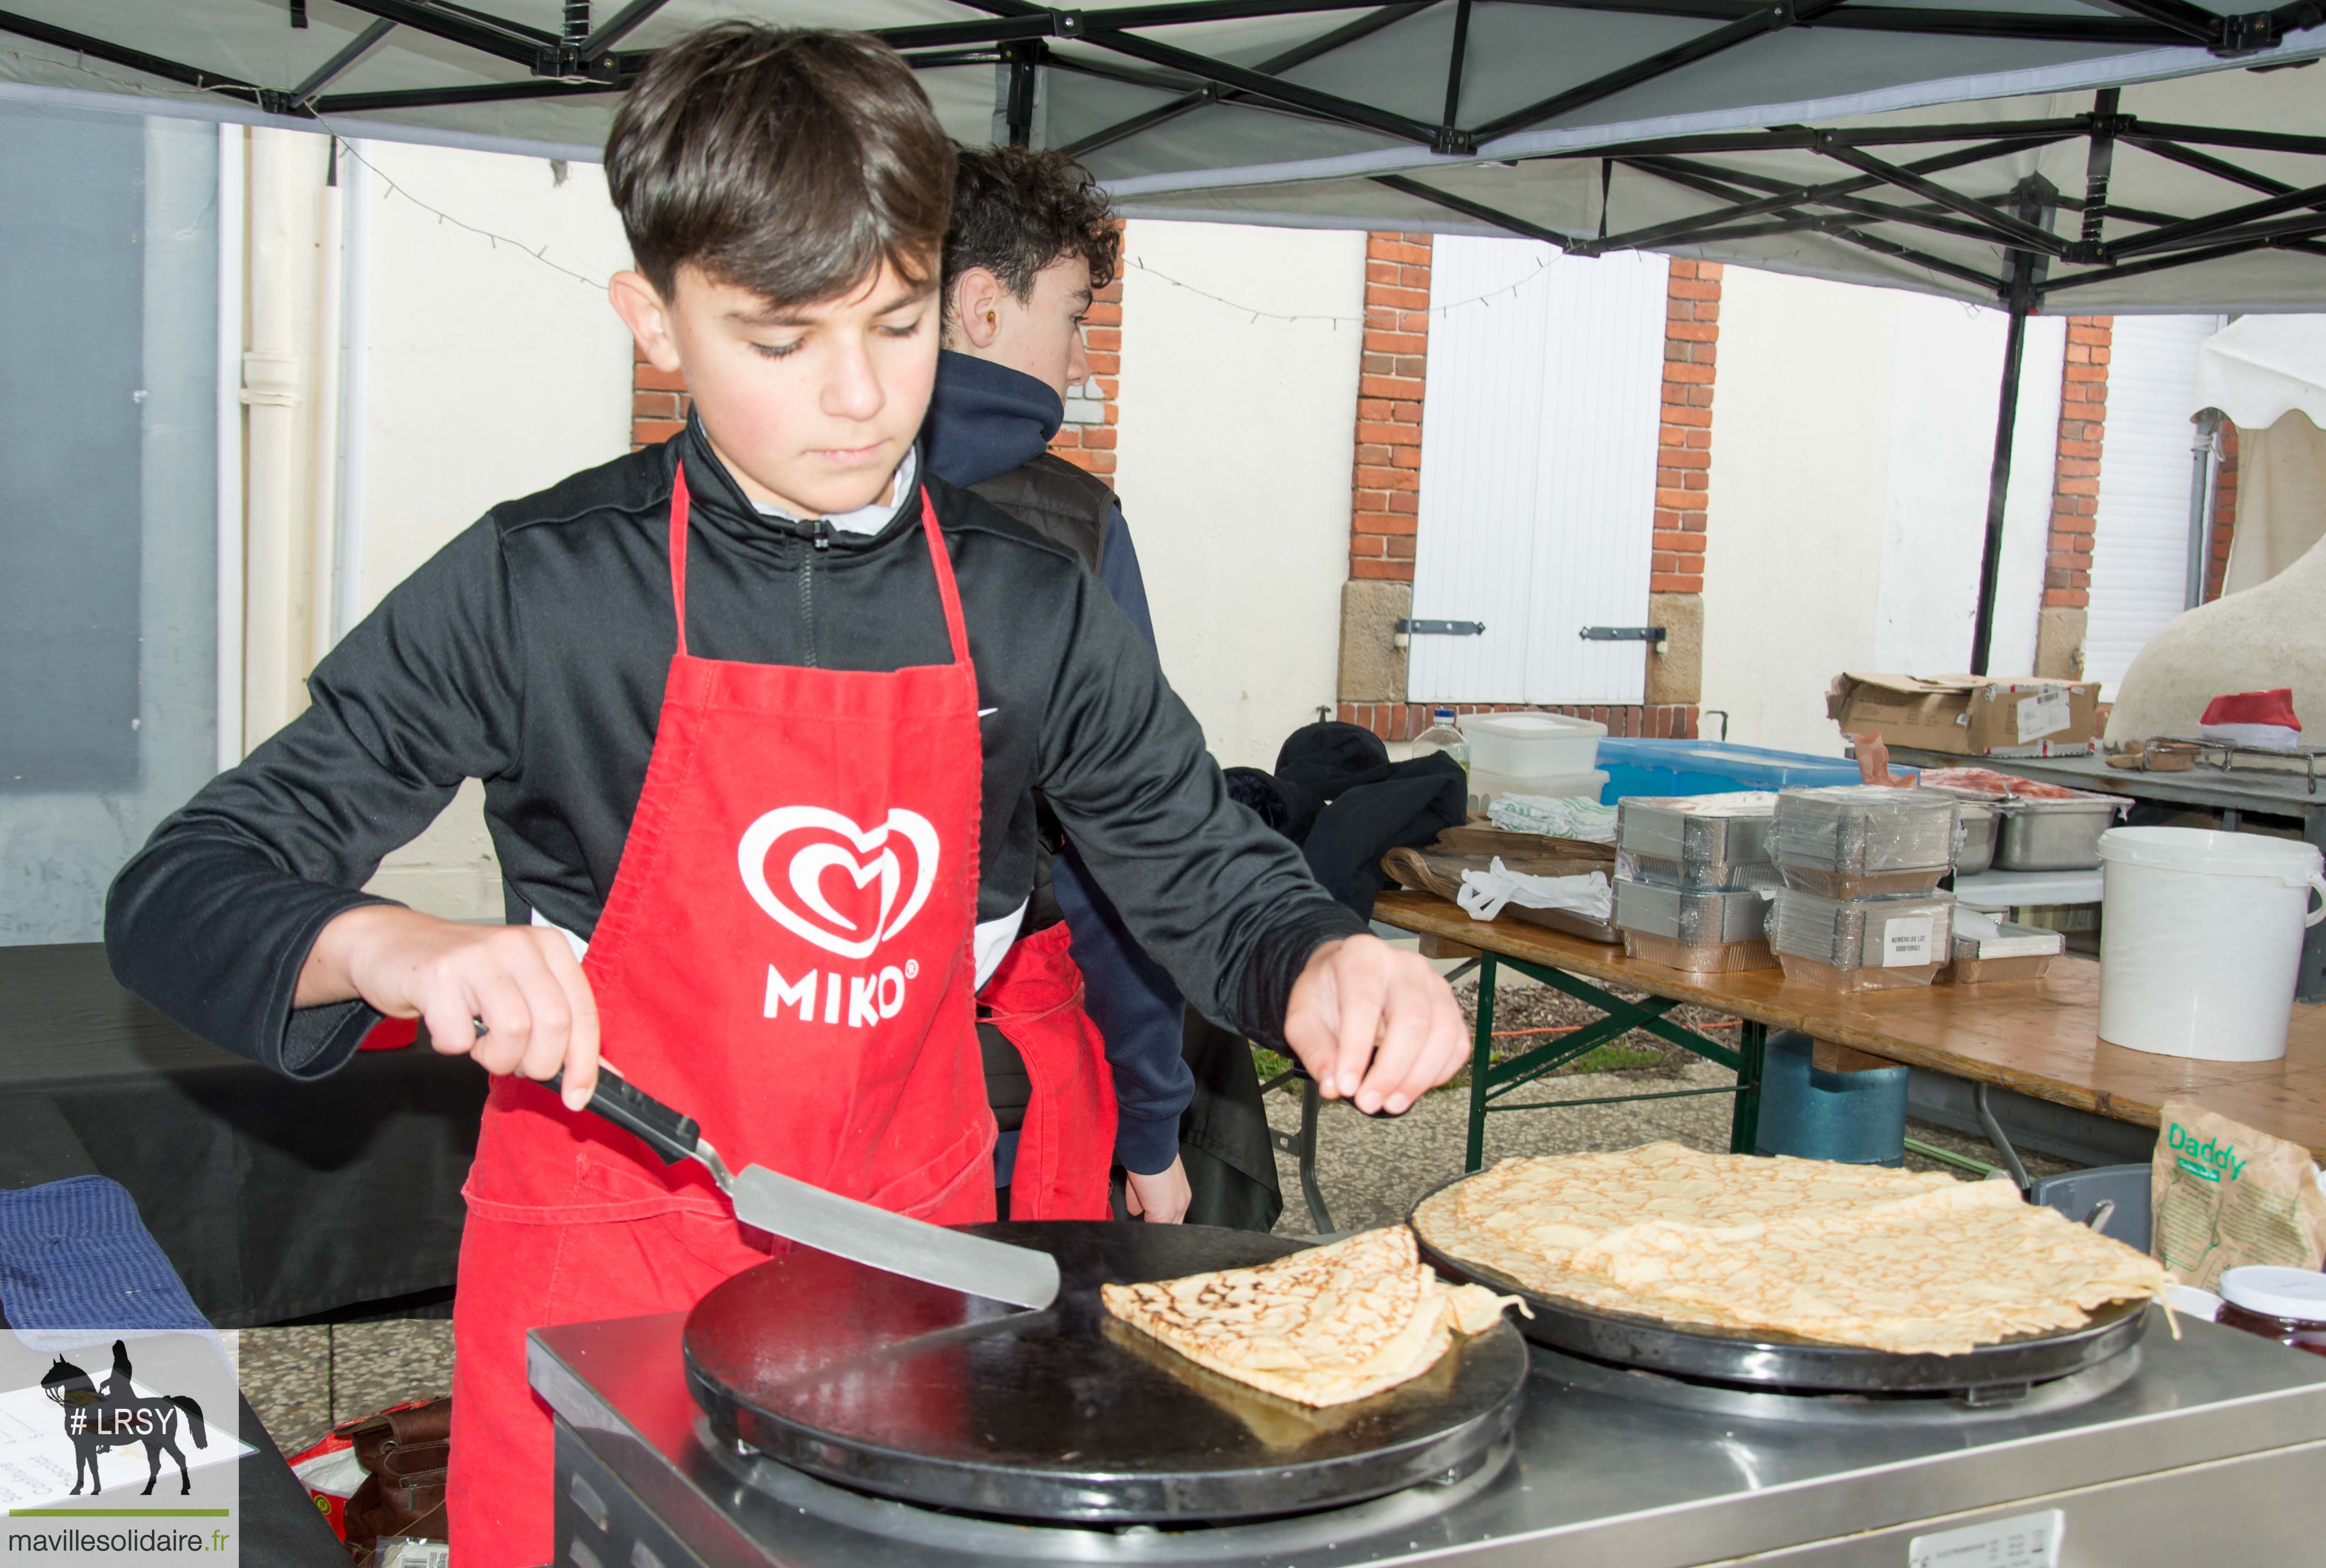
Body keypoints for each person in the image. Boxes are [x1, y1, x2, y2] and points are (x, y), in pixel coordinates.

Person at [103, 25, 1467, 1567]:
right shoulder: (538, 589)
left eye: (895, 326)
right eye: (779, 339)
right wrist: (386, 943)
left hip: (908, 1258)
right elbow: (184, 883)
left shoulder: (1027, 600)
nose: (858, 398)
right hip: (600, 1250)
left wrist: (1317, 953)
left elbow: (1204, 865)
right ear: (657, 320)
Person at [919, 144, 1198, 1225]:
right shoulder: (1073, 530)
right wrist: (1153, 1121)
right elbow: (1126, 851)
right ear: (983, 307)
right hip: (1000, 1110)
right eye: (1077, 314)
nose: (1084, 362)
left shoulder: (749, 488)